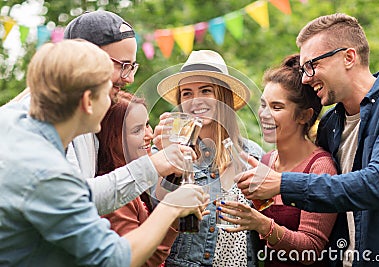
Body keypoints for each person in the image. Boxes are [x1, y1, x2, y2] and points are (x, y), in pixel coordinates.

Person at [0, 39, 208, 267]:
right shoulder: (48, 173)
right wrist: (172, 206)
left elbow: (80, 194)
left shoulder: (11, 122)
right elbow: (113, 259)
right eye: (108, 94)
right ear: (88, 101)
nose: (113, 101)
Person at [235, 13, 379, 266]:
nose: (305, 78)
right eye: (303, 69)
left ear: (348, 57)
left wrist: (283, 184)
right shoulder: (331, 123)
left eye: (312, 65)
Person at [10, 10, 186, 216]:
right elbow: (73, 201)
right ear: (87, 58)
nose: (129, 79)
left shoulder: (83, 118)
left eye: (132, 67)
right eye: (123, 65)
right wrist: (152, 168)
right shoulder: (39, 117)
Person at [217, 54, 338, 266]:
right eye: (263, 105)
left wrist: (263, 225)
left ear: (304, 116)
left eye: (277, 107)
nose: (264, 114)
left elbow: (311, 250)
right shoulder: (264, 161)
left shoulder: (321, 167)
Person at [153, 50, 264, 267]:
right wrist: (169, 162)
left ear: (222, 97)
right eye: (186, 93)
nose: (195, 101)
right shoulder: (169, 153)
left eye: (206, 91)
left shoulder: (253, 154)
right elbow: (156, 210)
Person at [96, 90, 178, 267]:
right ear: (112, 138)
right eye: (137, 130)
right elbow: (140, 261)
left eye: (147, 125)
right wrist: (174, 215)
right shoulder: (117, 196)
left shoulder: (136, 177)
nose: (149, 134)